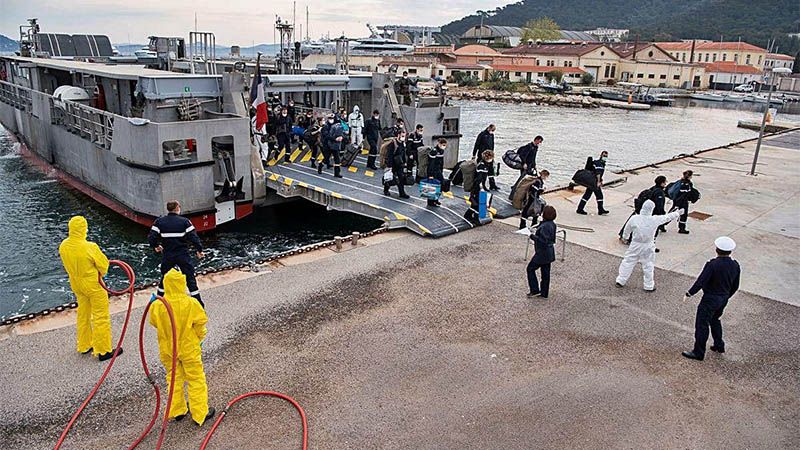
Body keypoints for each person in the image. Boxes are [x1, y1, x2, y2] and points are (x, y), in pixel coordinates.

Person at [149, 268, 215, 425]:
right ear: (182, 284)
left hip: (168, 349)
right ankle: (200, 413)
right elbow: (200, 323)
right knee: (195, 378)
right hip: (188, 348)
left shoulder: (158, 305)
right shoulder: (191, 303)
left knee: (173, 377)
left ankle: (177, 410)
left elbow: (153, 322)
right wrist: (199, 338)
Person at [59, 216, 118, 361]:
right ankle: (104, 351)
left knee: (83, 314)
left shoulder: (64, 245)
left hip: (76, 284)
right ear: (83, 229)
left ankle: (84, 345)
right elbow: (103, 266)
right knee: (100, 316)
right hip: (93, 285)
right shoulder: (89, 247)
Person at [681, 237, 741, 361]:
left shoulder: (712, 264)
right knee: (715, 320)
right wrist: (726, 296)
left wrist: (690, 293)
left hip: (710, 298)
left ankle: (698, 352)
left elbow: (701, 281)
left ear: (717, 249)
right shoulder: (735, 265)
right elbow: (735, 285)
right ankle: (719, 345)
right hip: (723, 298)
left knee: (702, 324)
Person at [615, 200, 683, 292]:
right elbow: (667, 217)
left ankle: (621, 280)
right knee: (648, 265)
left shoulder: (634, 218)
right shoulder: (654, 220)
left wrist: (625, 238)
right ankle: (648, 286)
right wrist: (677, 213)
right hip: (648, 246)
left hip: (635, 244)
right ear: (651, 209)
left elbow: (627, 229)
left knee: (628, 262)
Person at [148, 201, 205, 306]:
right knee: (190, 279)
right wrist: (199, 250)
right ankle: (198, 303)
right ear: (177, 208)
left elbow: (151, 237)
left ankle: (158, 300)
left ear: (168, 209)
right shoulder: (185, 222)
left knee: (165, 277)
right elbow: (194, 238)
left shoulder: (159, 222)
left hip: (168, 255)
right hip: (182, 254)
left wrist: (156, 246)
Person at [620, 176, 668, 243]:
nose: (666, 183)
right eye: (665, 182)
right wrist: (662, 214)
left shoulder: (652, 188)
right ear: (662, 183)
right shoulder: (659, 192)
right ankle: (651, 244)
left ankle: (627, 238)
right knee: (653, 231)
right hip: (653, 213)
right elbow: (659, 205)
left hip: (645, 211)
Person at [527, 205, 558, 299]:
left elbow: (543, 241)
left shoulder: (545, 226)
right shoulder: (552, 224)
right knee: (545, 272)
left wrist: (532, 236)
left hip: (542, 253)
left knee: (530, 269)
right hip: (549, 252)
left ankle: (534, 290)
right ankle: (544, 292)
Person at [465, 150, 495, 223]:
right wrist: (481, 187)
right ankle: (475, 218)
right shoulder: (482, 166)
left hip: (479, 186)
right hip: (477, 186)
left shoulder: (485, 165)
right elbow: (479, 178)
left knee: (476, 203)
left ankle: (468, 215)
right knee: (477, 203)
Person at [576, 150, 610, 215]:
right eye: (604, 156)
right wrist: (598, 182)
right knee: (599, 196)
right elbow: (598, 174)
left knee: (587, 195)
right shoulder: (599, 164)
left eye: (606, 156)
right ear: (601, 155)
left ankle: (580, 208)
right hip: (594, 182)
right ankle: (600, 210)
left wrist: (601, 180)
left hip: (591, 181)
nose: (605, 157)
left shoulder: (597, 163)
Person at [384, 130, 410, 199]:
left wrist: (405, 162)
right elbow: (389, 155)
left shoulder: (402, 143)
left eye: (404, 136)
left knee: (401, 178)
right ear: (398, 135)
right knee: (391, 178)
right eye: (402, 136)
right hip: (393, 164)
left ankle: (402, 193)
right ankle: (386, 188)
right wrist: (389, 166)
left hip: (400, 164)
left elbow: (403, 153)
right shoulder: (393, 144)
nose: (403, 137)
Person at [426, 138, 447, 207]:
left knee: (441, 184)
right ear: (439, 144)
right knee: (432, 186)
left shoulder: (441, 151)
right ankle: (431, 202)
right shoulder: (434, 151)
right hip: (433, 171)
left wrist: (441, 170)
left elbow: (441, 162)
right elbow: (431, 163)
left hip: (438, 170)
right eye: (443, 145)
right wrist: (430, 174)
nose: (444, 146)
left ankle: (436, 199)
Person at [672, 170, 694, 234]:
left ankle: (662, 225)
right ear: (689, 176)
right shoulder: (686, 184)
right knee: (683, 215)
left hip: (677, 200)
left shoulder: (681, 182)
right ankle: (682, 228)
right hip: (682, 202)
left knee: (673, 213)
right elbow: (684, 195)